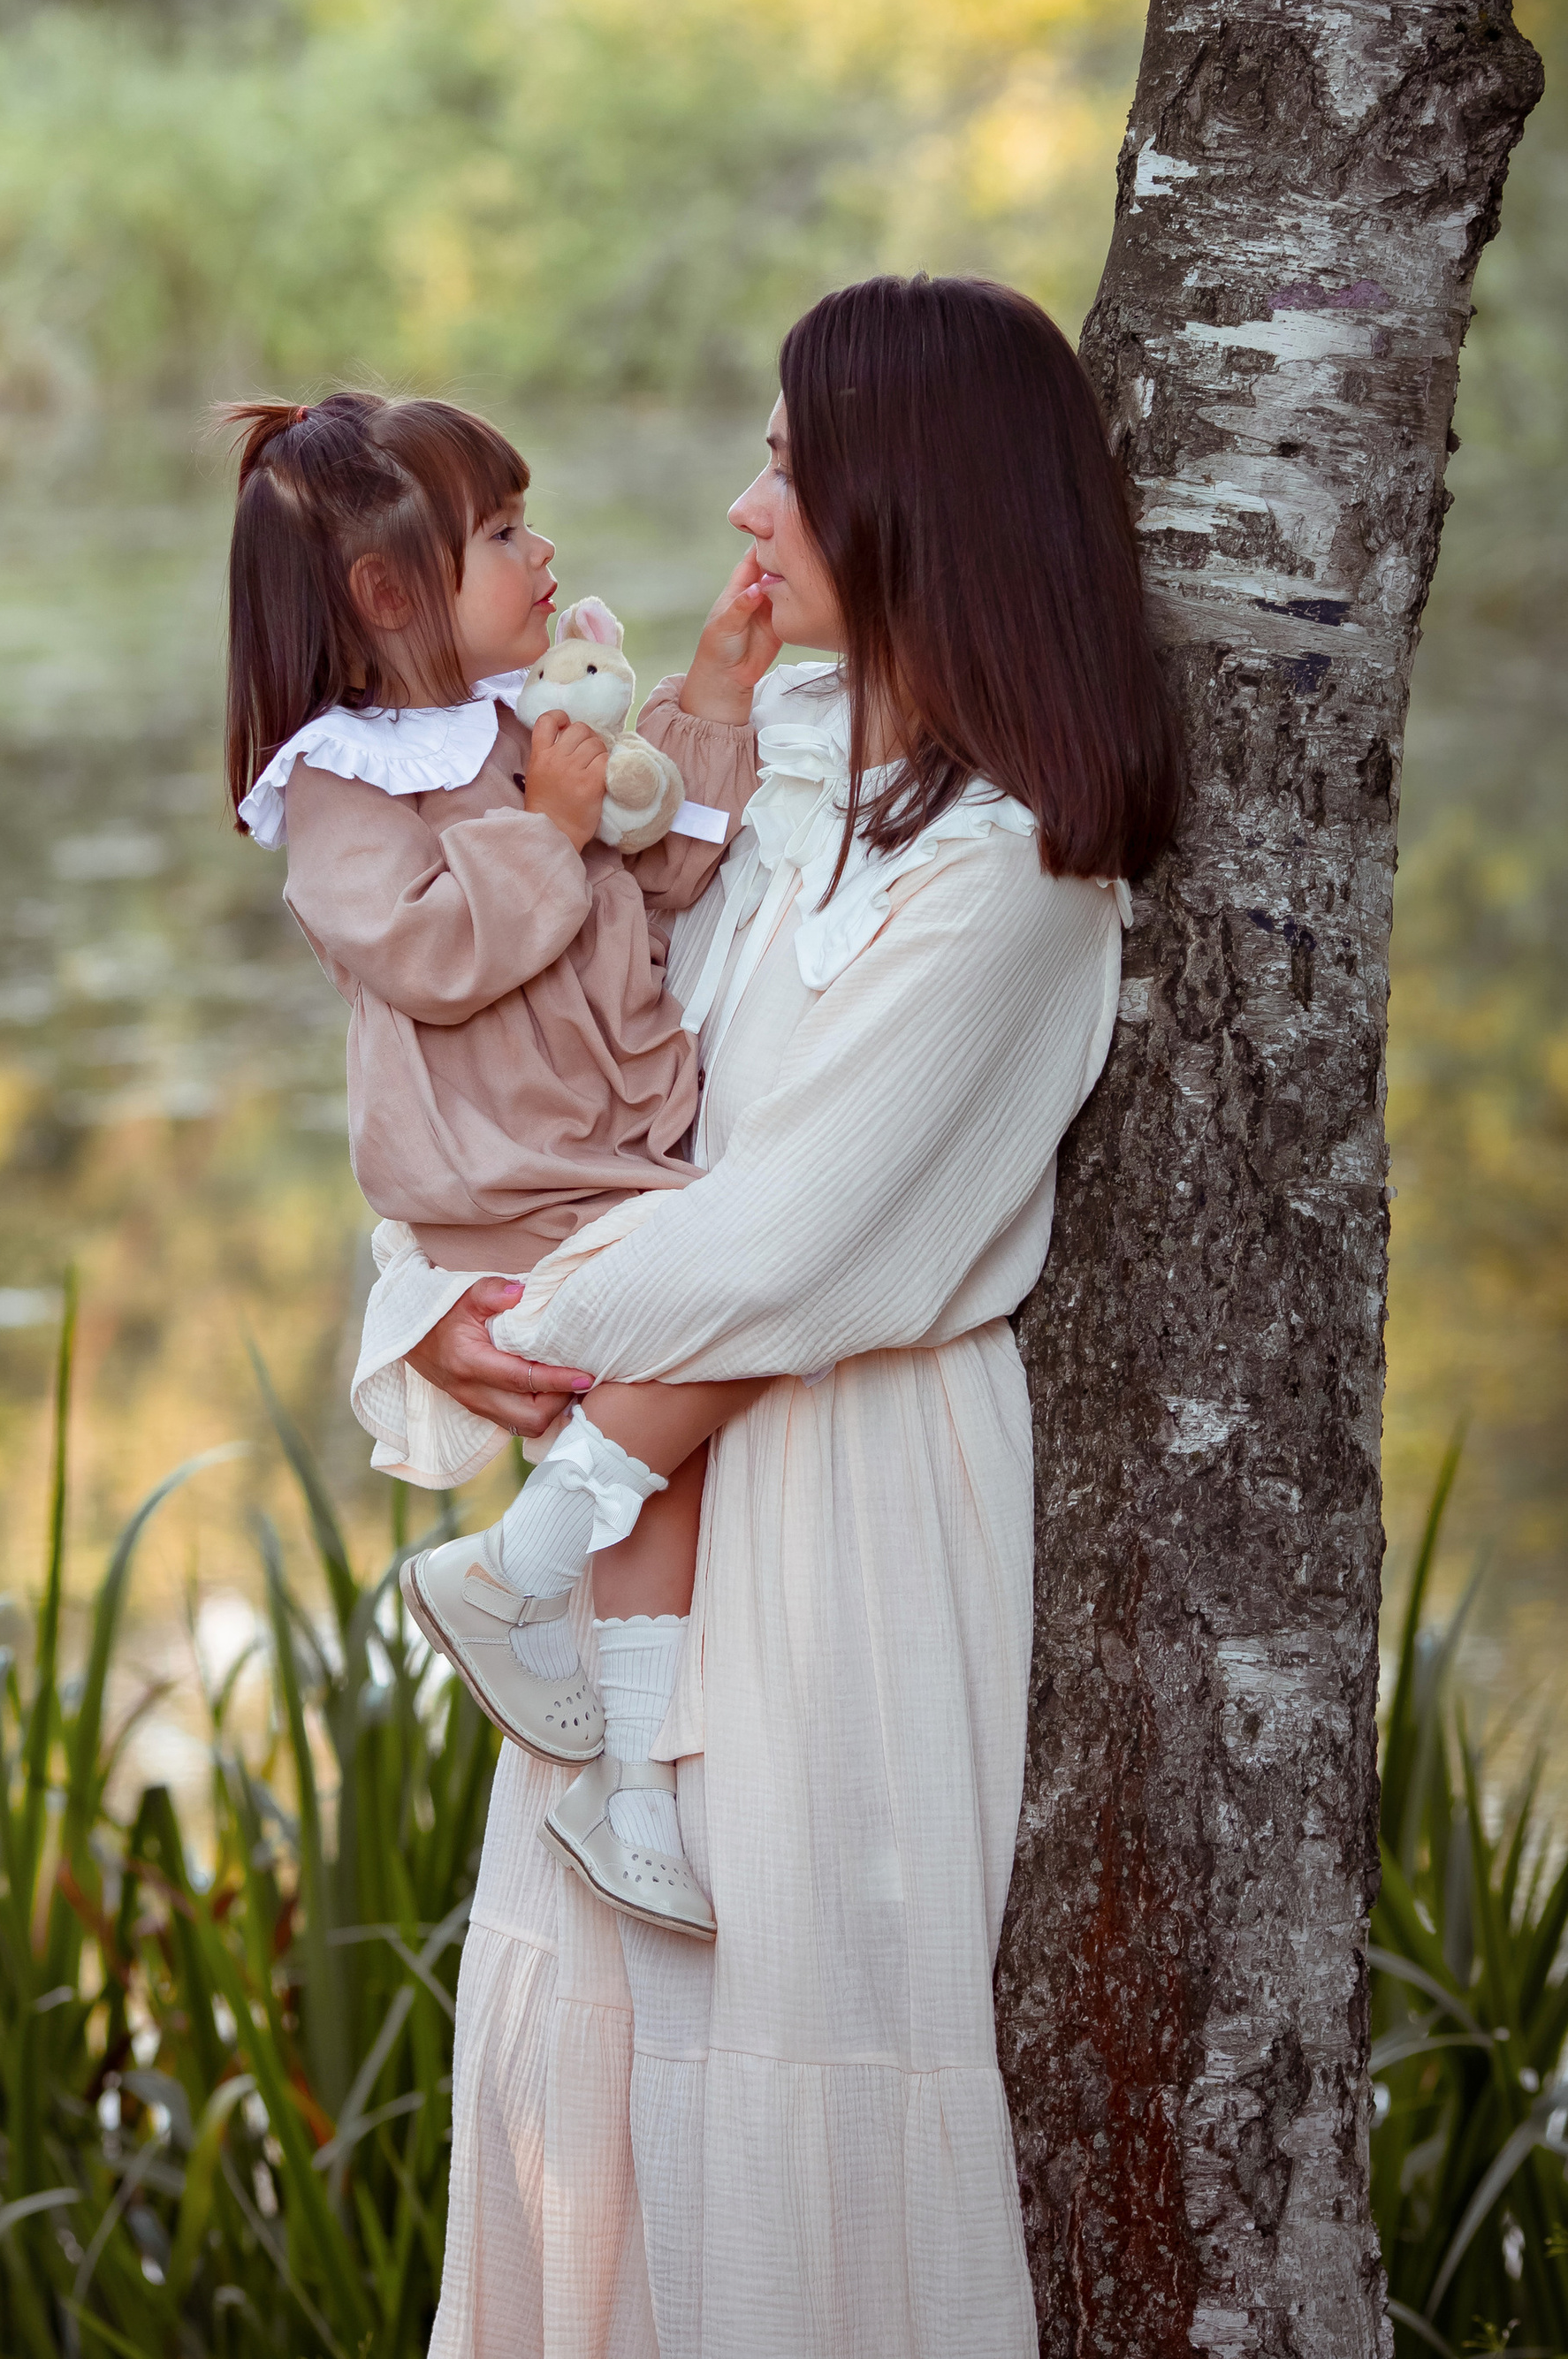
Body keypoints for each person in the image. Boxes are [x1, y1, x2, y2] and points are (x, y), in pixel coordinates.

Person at [355, 276, 1182, 2358]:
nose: (739, 510)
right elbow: (522, 1085)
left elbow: (799, 1232)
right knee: (596, 2062)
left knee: (794, 2053)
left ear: (913, 507)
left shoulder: (1012, 873)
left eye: (789, 469)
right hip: (631, 1497)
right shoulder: (741, 783)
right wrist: (419, 1314)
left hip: (837, 1510)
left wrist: (514, 1312)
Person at [225, 390, 773, 1933]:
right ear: (392, 598)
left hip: (604, 1152)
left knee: (663, 1472)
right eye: (504, 535)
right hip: (511, 1179)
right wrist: (540, 823)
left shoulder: (537, 721)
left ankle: (633, 1788)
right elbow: (428, 954)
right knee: (754, 1318)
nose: (544, 556)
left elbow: (663, 862)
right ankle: (526, 1596)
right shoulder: (340, 780)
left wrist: (712, 698)